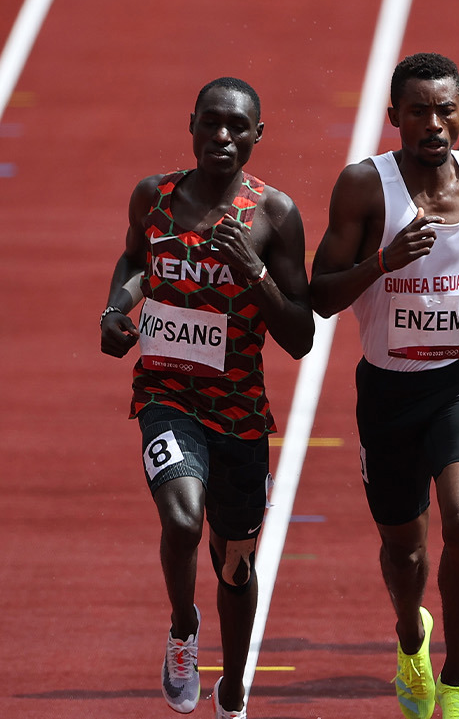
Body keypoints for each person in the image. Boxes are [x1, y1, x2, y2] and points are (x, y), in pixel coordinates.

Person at [100, 77, 314, 719]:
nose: (223, 136)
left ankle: (235, 687)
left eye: (237, 127)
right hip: (166, 393)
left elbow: (301, 335)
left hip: (240, 410)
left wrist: (252, 268)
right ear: (191, 124)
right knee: (182, 519)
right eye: (211, 123)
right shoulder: (154, 196)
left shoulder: (275, 214)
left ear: (257, 135)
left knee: (235, 563)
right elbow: (137, 262)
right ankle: (182, 628)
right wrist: (117, 309)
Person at [310, 53, 459, 719]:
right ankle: (410, 635)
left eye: (446, 108)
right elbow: (319, 294)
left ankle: (456, 678)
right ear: (394, 117)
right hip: (389, 394)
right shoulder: (367, 187)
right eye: (419, 111)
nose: (434, 122)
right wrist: (382, 261)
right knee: (405, 550)